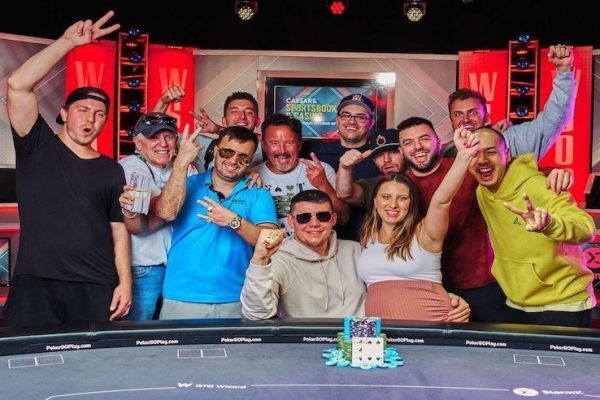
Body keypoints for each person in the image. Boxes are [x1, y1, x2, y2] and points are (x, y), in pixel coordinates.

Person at [4, 11, 131, 327]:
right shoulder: (36, 144)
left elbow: (118, 231)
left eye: (99, 114)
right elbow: (17, 85)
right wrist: (67, 43)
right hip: (37, 280)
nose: (90, 119)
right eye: (83, 110)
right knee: (29, 367)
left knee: (87, 372)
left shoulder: (112, 170)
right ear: (63, 112)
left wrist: (125, 282)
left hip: (95, 283)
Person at [398, 113, 573, 322]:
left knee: (498, 348)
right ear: (401, 151)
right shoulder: (399, 187)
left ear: (438, 141)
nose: (417, 146)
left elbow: (510, 171)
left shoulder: (466, 164)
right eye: (408, 142)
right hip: (435, 287)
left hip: (484, 283)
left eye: (424, 138)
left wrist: (555, 173)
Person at [241, 190, 470, 321]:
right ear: (291, 222)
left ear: (333, 219)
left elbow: (399, 276)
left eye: (322, 216)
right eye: (303, 218)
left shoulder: (356, 250)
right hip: (305, 345)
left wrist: (445, 297)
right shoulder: (279, 259)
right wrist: (260, 261)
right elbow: (257, 313)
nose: (314, 224)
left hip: (362, 343)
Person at [468, 127, 596, 328]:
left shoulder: (537, 186)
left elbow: (585, 227)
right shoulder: (482, 192)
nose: (482, 159)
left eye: (491, 152)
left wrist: (550, 224)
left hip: (562, 302)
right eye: (475, 153)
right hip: (518, 302)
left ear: (506, 154)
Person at [153, 126, 277, 319]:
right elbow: (166, 212)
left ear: (251, 161)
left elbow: (270, 240)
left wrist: (233, 221)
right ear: (216, 151)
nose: (233, 161)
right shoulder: (187, 184)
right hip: (182, 295)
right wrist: (181, 164)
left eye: (243, 157)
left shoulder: (258, 193)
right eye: (227, 152)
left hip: (236, 297)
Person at [357, 128, 478, 321]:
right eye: (386, 197)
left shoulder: (425, 233)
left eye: (402, 198)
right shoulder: (367, 236)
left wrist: (463, 157)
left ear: (411, 203)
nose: (393, 205)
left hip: (435, 323)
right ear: (375, 201)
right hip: (381, 334)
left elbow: (441, 201)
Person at [445, 44, 576, 185]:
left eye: (473, 113)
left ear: (486, 116)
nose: (466, 120)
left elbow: (555, 117)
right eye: (458, 115)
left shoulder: (514, 140)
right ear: (451, 120)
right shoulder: (443, 154)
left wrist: (563, 72)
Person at [118, 112, 191, 320]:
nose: (163, 143)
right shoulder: (131, 168)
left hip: (174, 267)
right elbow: (147, 223)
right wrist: (171, 209)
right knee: (138, 337)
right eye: (154, 137)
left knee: (168, 336)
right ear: (138, 144)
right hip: (143, 270)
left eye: (168, 137)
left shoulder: (176, 166)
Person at [302, 94, 380, 240]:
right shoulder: (314, 153)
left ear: (371, 123)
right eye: (346, 115)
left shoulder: (379, 156)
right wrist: (253, 172)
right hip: (322, 241)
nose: (352, 121)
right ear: (337, 119)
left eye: (360, 117)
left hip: (366, 242)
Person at [257, 113, 349, 233]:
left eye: (289, 142)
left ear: (299, 144)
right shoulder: (253, 175)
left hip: (315, 249)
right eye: (274, 143)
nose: (282, 150)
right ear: (264, 145)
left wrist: (323, 185)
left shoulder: (322, 170)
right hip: (273, 250)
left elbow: (343, 218)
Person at [190, 92, 263, 171]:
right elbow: (175, 138)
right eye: (234, 111)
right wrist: (174, 99)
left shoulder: (266, 150)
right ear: (224, 121)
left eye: (249, 112)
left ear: (257, 121)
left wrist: (218, 129)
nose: (242, 116)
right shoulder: (204, 146)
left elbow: (273, 141)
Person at [336, 128, 405, 208]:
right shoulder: (375, 184)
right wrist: (345, 168)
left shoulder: (418, 176)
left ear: (404, 152)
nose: (386, 160)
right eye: (379, 155)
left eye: (393, 152)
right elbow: (345, 194)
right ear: (374, 160)